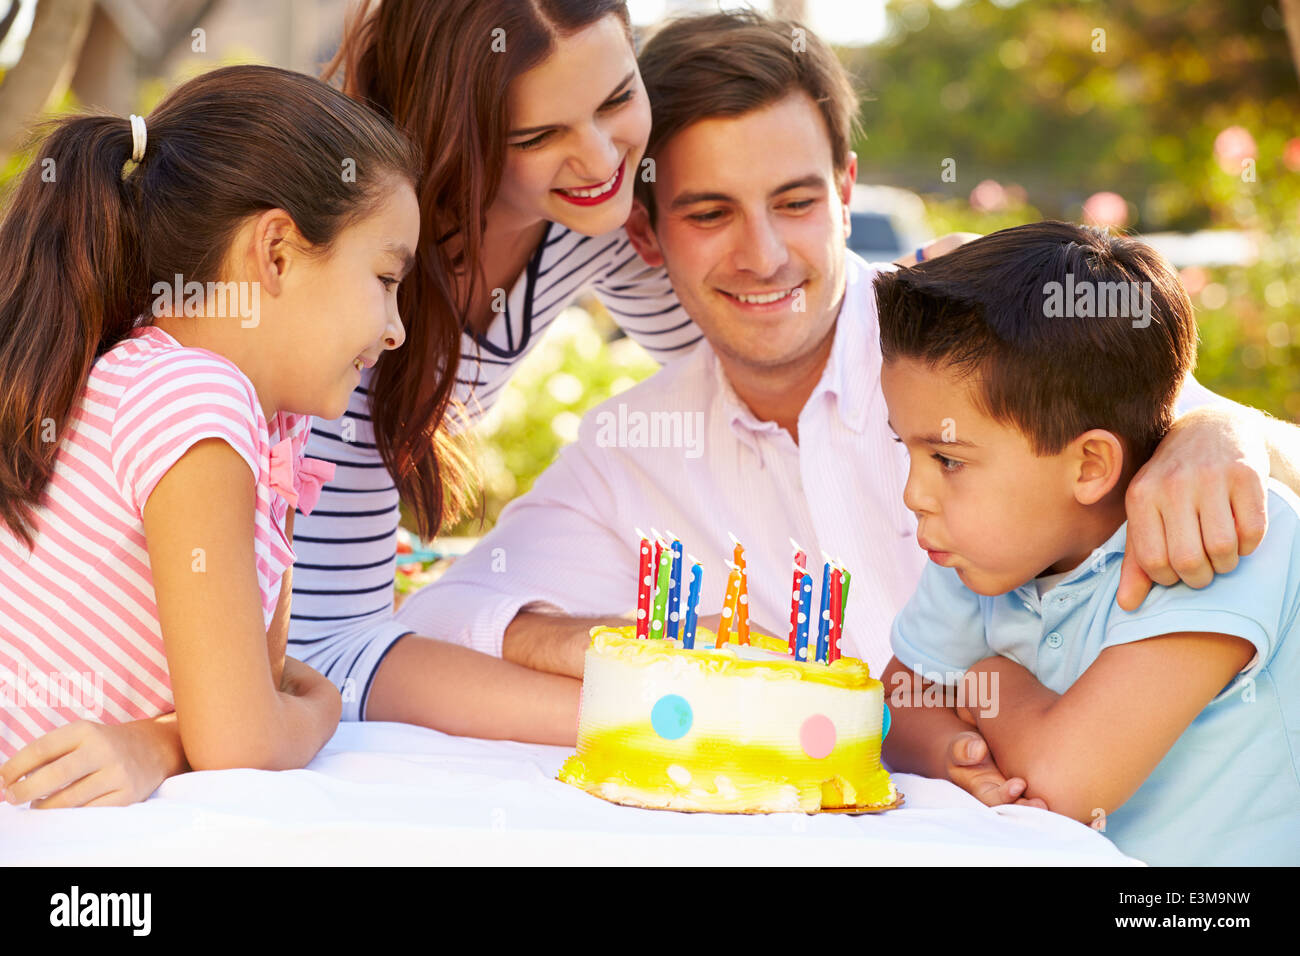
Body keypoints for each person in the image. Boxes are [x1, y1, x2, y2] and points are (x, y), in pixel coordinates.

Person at [398, 10, 1300, 808]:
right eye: (709, 213)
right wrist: (619, 641)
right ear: (645, 233)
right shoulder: (633, 446)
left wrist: (1216, 430)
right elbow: (438, 617)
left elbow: (1194, 443)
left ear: (845, 190)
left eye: (794, 202)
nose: (763, 255)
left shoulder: (969, 342)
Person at [287, 0, 969, 728]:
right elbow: (328, 652)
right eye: (540, 134)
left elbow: (774, 336)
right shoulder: (345, 289)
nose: (604, 159)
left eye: (616, 99)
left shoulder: (598, 220)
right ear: (462, 137)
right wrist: (670, 702)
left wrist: (959, 309)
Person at [0, 65, 415, 805]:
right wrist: (324, 709)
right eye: (386, 279)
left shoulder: (229, 410)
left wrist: (166, 740)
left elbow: (251, 693)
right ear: (278, 251)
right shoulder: (195, 399)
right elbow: (246, 740)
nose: (395, 330)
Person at [876, 222, 1299, 865]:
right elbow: (897, 702)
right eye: (905, 448)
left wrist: (987, 683)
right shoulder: (983, 550)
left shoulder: (1215, 535)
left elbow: (1065, 782)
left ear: (1089, 466)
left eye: (948, 459)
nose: (915, 494)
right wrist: (951, 755)